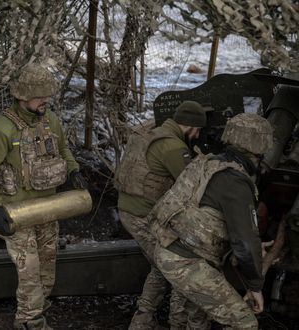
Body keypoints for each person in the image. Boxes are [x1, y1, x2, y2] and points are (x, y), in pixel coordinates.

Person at [0, 63, 87, 330]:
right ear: (23, 97)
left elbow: (63, 150)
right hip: (19, 212)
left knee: (48, 265)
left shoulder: (51, 121)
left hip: (49, 208)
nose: (45, 101)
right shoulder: (3, 129)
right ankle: (29, 321)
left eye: (47, 95)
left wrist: (74, 171)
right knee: (30, 270)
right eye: (40, 96)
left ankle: (38, 305)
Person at [150, 113, 274, 329]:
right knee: (244, 323)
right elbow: (244, 242)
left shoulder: (207, 162)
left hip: (170, 247)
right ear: (259, 148)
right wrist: (255, 286)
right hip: (186, 261)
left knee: (198, 319)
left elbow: (209, 217)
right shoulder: (236, 182)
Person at [115, 101, 208, 329]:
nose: (196, 136)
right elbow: (193, 187)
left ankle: (143, 320)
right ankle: (177, 322)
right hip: (143, 215)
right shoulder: (174, 147)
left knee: (160, 266)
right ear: (191, 127)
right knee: (178, 266)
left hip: (129, 209)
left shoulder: (150, 131)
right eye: (197, 131)